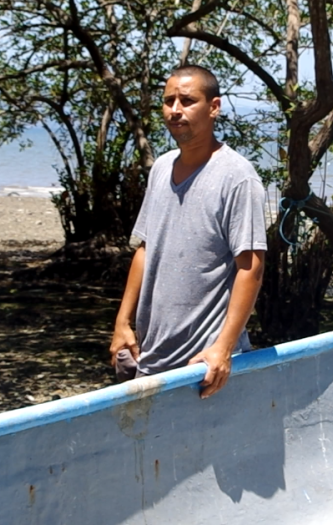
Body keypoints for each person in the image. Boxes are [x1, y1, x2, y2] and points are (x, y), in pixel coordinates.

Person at [109, 65, 267, 399]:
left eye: (187, 100)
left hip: (204, 365)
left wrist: (223, 349)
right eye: (169, 101)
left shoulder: (238, 177)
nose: (175, 110)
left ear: (214, 107)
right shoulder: (161, 168)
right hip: (152, 356)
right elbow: (146, 249)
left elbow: (251, 267)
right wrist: (123, 322)